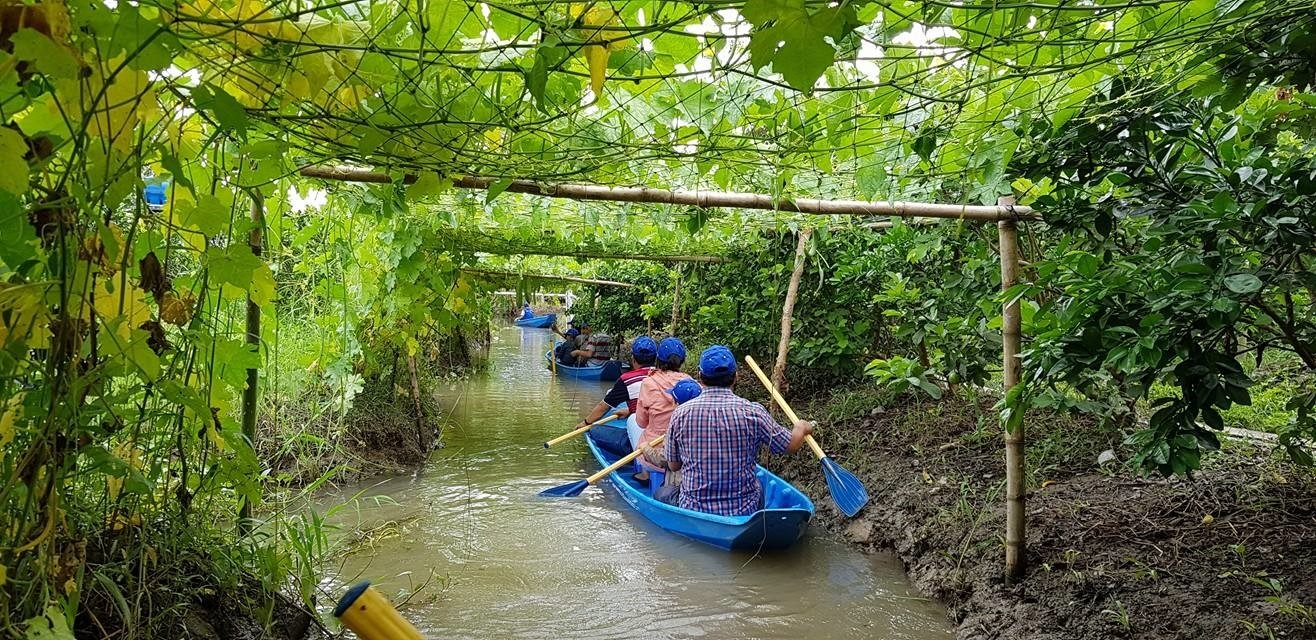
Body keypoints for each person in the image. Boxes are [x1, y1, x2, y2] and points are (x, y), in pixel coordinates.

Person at [665, 345, 812, 516]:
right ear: (735, 376)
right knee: (759, 486)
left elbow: (674, 465)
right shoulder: (753, 412)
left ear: (700, 376)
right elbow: (791, 446)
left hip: (694, 507)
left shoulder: (680, 413)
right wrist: (801, 428)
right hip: (744, 508)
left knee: (662, 494)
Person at [631, 337, 693, 481]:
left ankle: (645, 472)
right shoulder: (691, 383)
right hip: (686, 453)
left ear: (658, 359)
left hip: (656, 455)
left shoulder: (648, 382)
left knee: (632, 422)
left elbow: (641, 422)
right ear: (682, 360)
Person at [572, 336, 658, 429]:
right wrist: (630, 410)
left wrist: (585, 423)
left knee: (597, 426)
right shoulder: (665, 375)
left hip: (646, 428)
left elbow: (603, 407)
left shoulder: (627, 379)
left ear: (633, 358)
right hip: (660, 423)